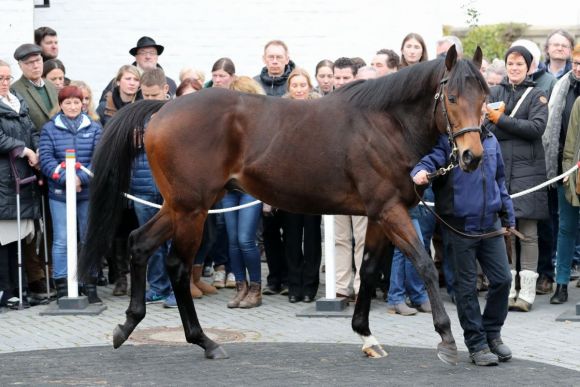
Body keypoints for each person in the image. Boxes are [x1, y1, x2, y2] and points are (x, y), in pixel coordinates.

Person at [411, 126, 515, 366]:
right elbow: (430, 159)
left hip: (491, 223)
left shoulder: (491, 140)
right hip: (460, 227)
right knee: (465, 288)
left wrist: (508, 217)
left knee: (503, 280)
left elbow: (500, 180)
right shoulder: (448, 141)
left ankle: (492, 334)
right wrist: (420, 171)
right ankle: (476, 344)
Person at [483, 46, 549, 312]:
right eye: (511, 63)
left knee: (528, 233)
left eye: (520, 63)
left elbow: (536, 129)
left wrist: (501, 120)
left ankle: (528, 294)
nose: (514, 68)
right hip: (500, 170)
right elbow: (485, 127)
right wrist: (505, 124)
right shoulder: (495, 92)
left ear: (529, 67)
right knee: (504, 231)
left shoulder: (538, 95)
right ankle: (507, 289)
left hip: (528, 173)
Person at [39, 86, 102, 304]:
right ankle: (63, 286)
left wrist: (80, 179)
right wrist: (66, 178)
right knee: (62, 240)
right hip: (59, 194)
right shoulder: (49, 129)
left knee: (88, 237)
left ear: (82, 104)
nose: (73, 107)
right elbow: (46, 159)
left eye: (76, 102)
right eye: (68, 103)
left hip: (86, 193)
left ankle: (90, 284)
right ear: (61, 105)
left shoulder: (94, 128)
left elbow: (98, 159)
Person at [11, 43, 58, 301]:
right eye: (29, 62)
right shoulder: (17, 90)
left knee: (51, 222)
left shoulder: (52, 87)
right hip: (31, 161)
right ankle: (35, 275)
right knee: (32, 223)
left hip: (53, 161)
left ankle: (50, 270)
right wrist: (36, 153)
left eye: (38, 60)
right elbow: (24, 127)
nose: (35, 65)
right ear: (20, 65)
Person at [254, 40, 294, 296]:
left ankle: (290, 277)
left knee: (290, 229)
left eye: (279, 56)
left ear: (287, 57)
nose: (275, 61)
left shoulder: (295, 82)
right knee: (268, 230)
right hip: (263, 160)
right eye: (271, 57)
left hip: (290, 162)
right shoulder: (256, 86)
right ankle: (274, 278)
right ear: (264, 58)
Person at [0, 59, 41, 309]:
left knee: (18, 234)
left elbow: (32, 129)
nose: (4, 83)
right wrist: (25, 150)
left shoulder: (17, 101)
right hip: (3, 177)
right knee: (3, 237)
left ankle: (19, 287)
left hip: (22, 176)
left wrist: (37, 150)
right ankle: (6, 289)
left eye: (6, 78)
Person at [280, 68, 322, 303]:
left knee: (313, 236)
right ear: (290, 88)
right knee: (292, 237)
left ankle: (310, 286)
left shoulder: (318, 112)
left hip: (313, 185)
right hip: (289, 185)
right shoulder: (281, 113)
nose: (298, 89)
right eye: (294, 85)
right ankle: (294, 285)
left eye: (302, 85)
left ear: (309, 87)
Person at [543, 44, 580, 303]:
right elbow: (564, 138)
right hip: (569, 170)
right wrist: (566, 171)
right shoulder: (564, 89)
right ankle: (562, 284)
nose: (578, 69)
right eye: (576, 63)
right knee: (566, 228)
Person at [224, 76, 265, 309]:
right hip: (229, 189)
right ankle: (241, 287)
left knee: (245, 239)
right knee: (232, 241)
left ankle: (256, 289)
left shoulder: (260, 126)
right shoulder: (226, 124)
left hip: (251, 188)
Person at [331, 57, 366, 300]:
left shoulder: (363, 107)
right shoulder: (326, 105)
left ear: (354, 78)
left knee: (362, 237)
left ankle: (362, 285)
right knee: (339, 237)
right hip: (333, 183)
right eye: (337, 77)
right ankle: (341, 286)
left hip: (360, 184)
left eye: (345, 78)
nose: (341, 82)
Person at [99, 36, 177, 102]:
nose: (148, 57)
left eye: (152, 53)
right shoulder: (119, 82)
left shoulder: (170, 83)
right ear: (136, 57)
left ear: (157, 57)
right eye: (143, 53)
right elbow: (104, 109)